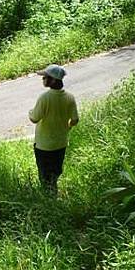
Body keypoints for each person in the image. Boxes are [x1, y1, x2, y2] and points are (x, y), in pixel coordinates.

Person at [28, 64, 79, 196]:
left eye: (45, 77)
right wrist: (67, 127)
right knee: (55, 172)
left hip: (44, 145)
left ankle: (49, 198)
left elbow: (34, 118)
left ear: (53, 80)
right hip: (61, 143)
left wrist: (30, 112)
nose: (43, 79)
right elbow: (75, 119)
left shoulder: (44, 98)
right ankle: (54, 193)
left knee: (44, 175)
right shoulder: (69, 97)